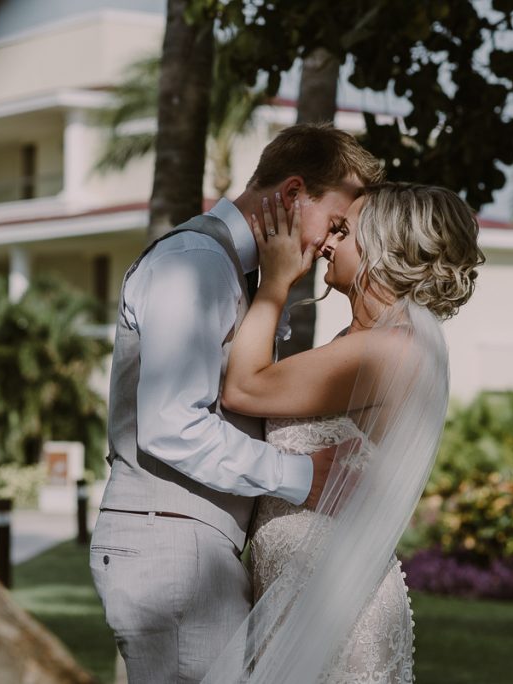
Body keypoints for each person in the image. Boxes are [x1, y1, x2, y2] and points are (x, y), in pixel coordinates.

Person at [89, 124, 382, 683]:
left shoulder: (240, 273)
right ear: (294, 195)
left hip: (190, 548)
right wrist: (303, 476)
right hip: (169, 547)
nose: (331, 244)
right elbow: (170, 424)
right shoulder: (195, 262)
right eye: (336, 223)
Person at [203, 181, 485, 683]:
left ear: (383, 247)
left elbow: (244, 389)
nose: (327, 243)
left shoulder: (388, 351)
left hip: (334, 607)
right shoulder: (362, 340)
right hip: (298, 594)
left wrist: (274, 284)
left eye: (343, 232)